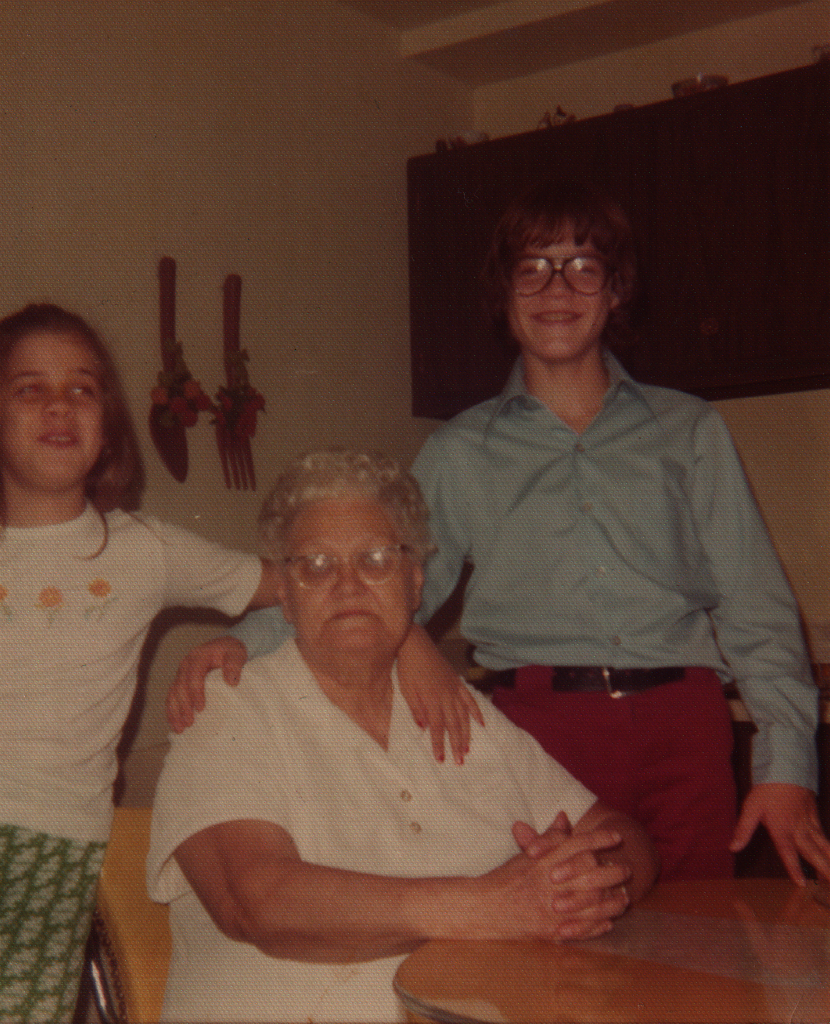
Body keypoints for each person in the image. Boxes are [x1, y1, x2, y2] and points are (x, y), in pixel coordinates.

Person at [168, 181, 830, 885]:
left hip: (685, 730)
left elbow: (755, 606)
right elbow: (375, 581)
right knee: (561, 934)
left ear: (615, 291)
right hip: (537, 736)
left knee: (700, 940)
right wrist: (244, 642)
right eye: (532, 268)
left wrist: (787, 767)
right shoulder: (460, 451)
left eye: (583, 267)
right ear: (504, 295)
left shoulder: (690, 430)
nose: (557, 289)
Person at [0, 304, 280, 1024]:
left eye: (82, 388)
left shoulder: (145, 551)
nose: (59, 405)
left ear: (107, 427)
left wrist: (245, 640)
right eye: (29, 388)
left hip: (53, 857)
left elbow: (308, 587)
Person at [147, 449, 658, 1023]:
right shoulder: (228, 707)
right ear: (284, 595)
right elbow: (257, 901)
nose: (347, 585)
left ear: (415, 584)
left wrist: (583, 881)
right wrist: (492, 906)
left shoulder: (456, 707)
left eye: (375, 559)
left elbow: (621, 836)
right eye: (316, 565)